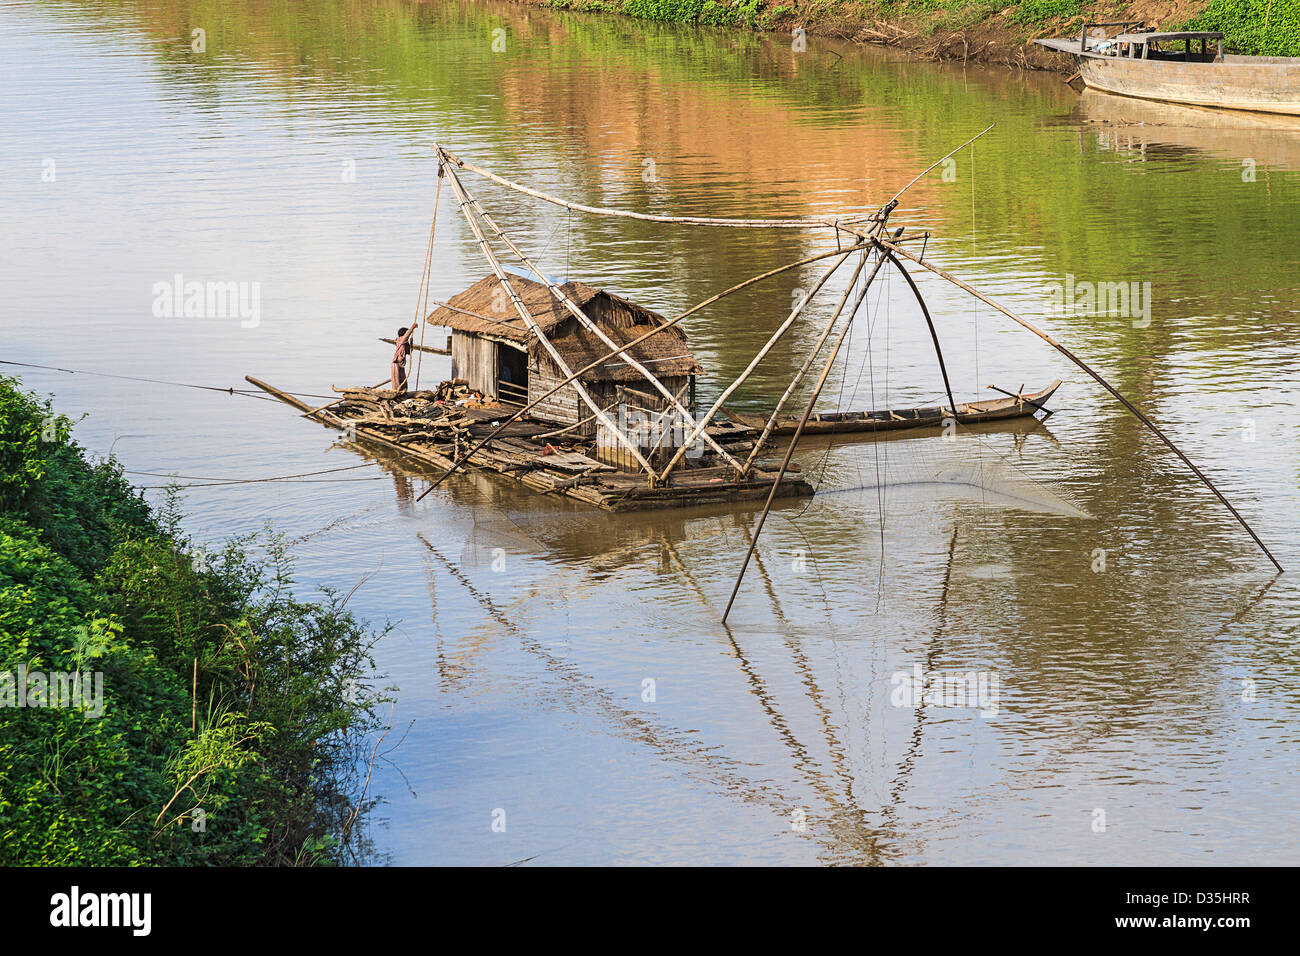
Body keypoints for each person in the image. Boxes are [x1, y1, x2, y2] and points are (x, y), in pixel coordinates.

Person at [391, 321, 418, 392]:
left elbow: (409, 352)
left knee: (403, 381)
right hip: (396, 363)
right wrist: (412, 327)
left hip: (401, 364)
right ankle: (397, 394)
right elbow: (407, 335)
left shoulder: (404, 343)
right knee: (397, 382)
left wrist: (411, 343)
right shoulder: (400, 340)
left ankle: (403, 393)